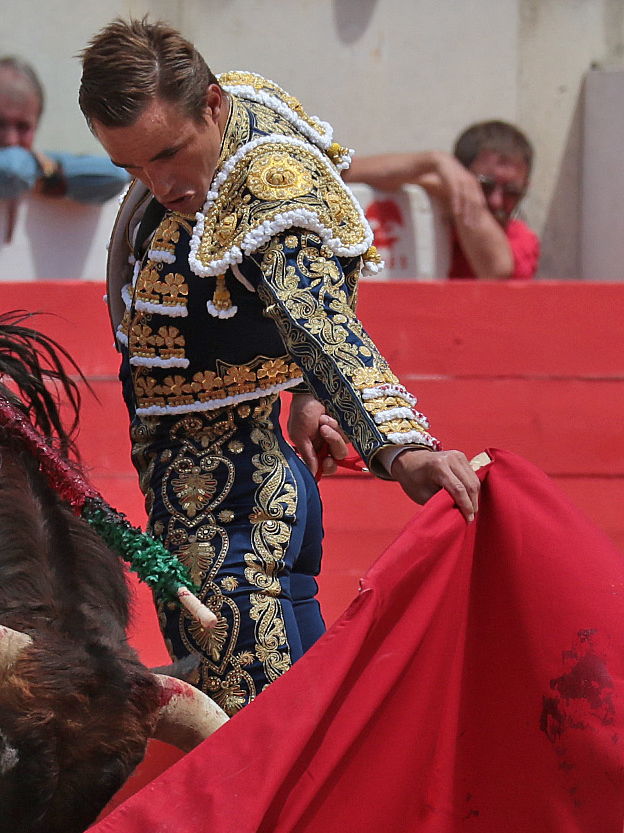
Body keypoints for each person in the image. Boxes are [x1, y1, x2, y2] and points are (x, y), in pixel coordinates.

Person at [81, 18, 479, 713]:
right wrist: (304, 391)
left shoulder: (267, 187)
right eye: (132, 167)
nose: (159, 182)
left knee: (253, 744)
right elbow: (292, 296)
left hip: (230, 506)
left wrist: (402, 447)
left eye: (169, 153)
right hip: (241, 479)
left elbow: (320, 316)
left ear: (209, 105)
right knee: (292, 732)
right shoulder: (240, 105)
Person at [342, 120, 539, 279]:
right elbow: (340, 173)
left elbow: (497, 270)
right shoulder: (435, 213)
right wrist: (434, 161)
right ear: (459, 175)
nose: (497, 201)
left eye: (512, 191)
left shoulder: (521, 239)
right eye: (485, 186)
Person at [0, 53, 128, 204]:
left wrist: (40, 171)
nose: (10, 140)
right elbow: (10, 169)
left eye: (23, 127)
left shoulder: (37, 163)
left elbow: (117, 174)